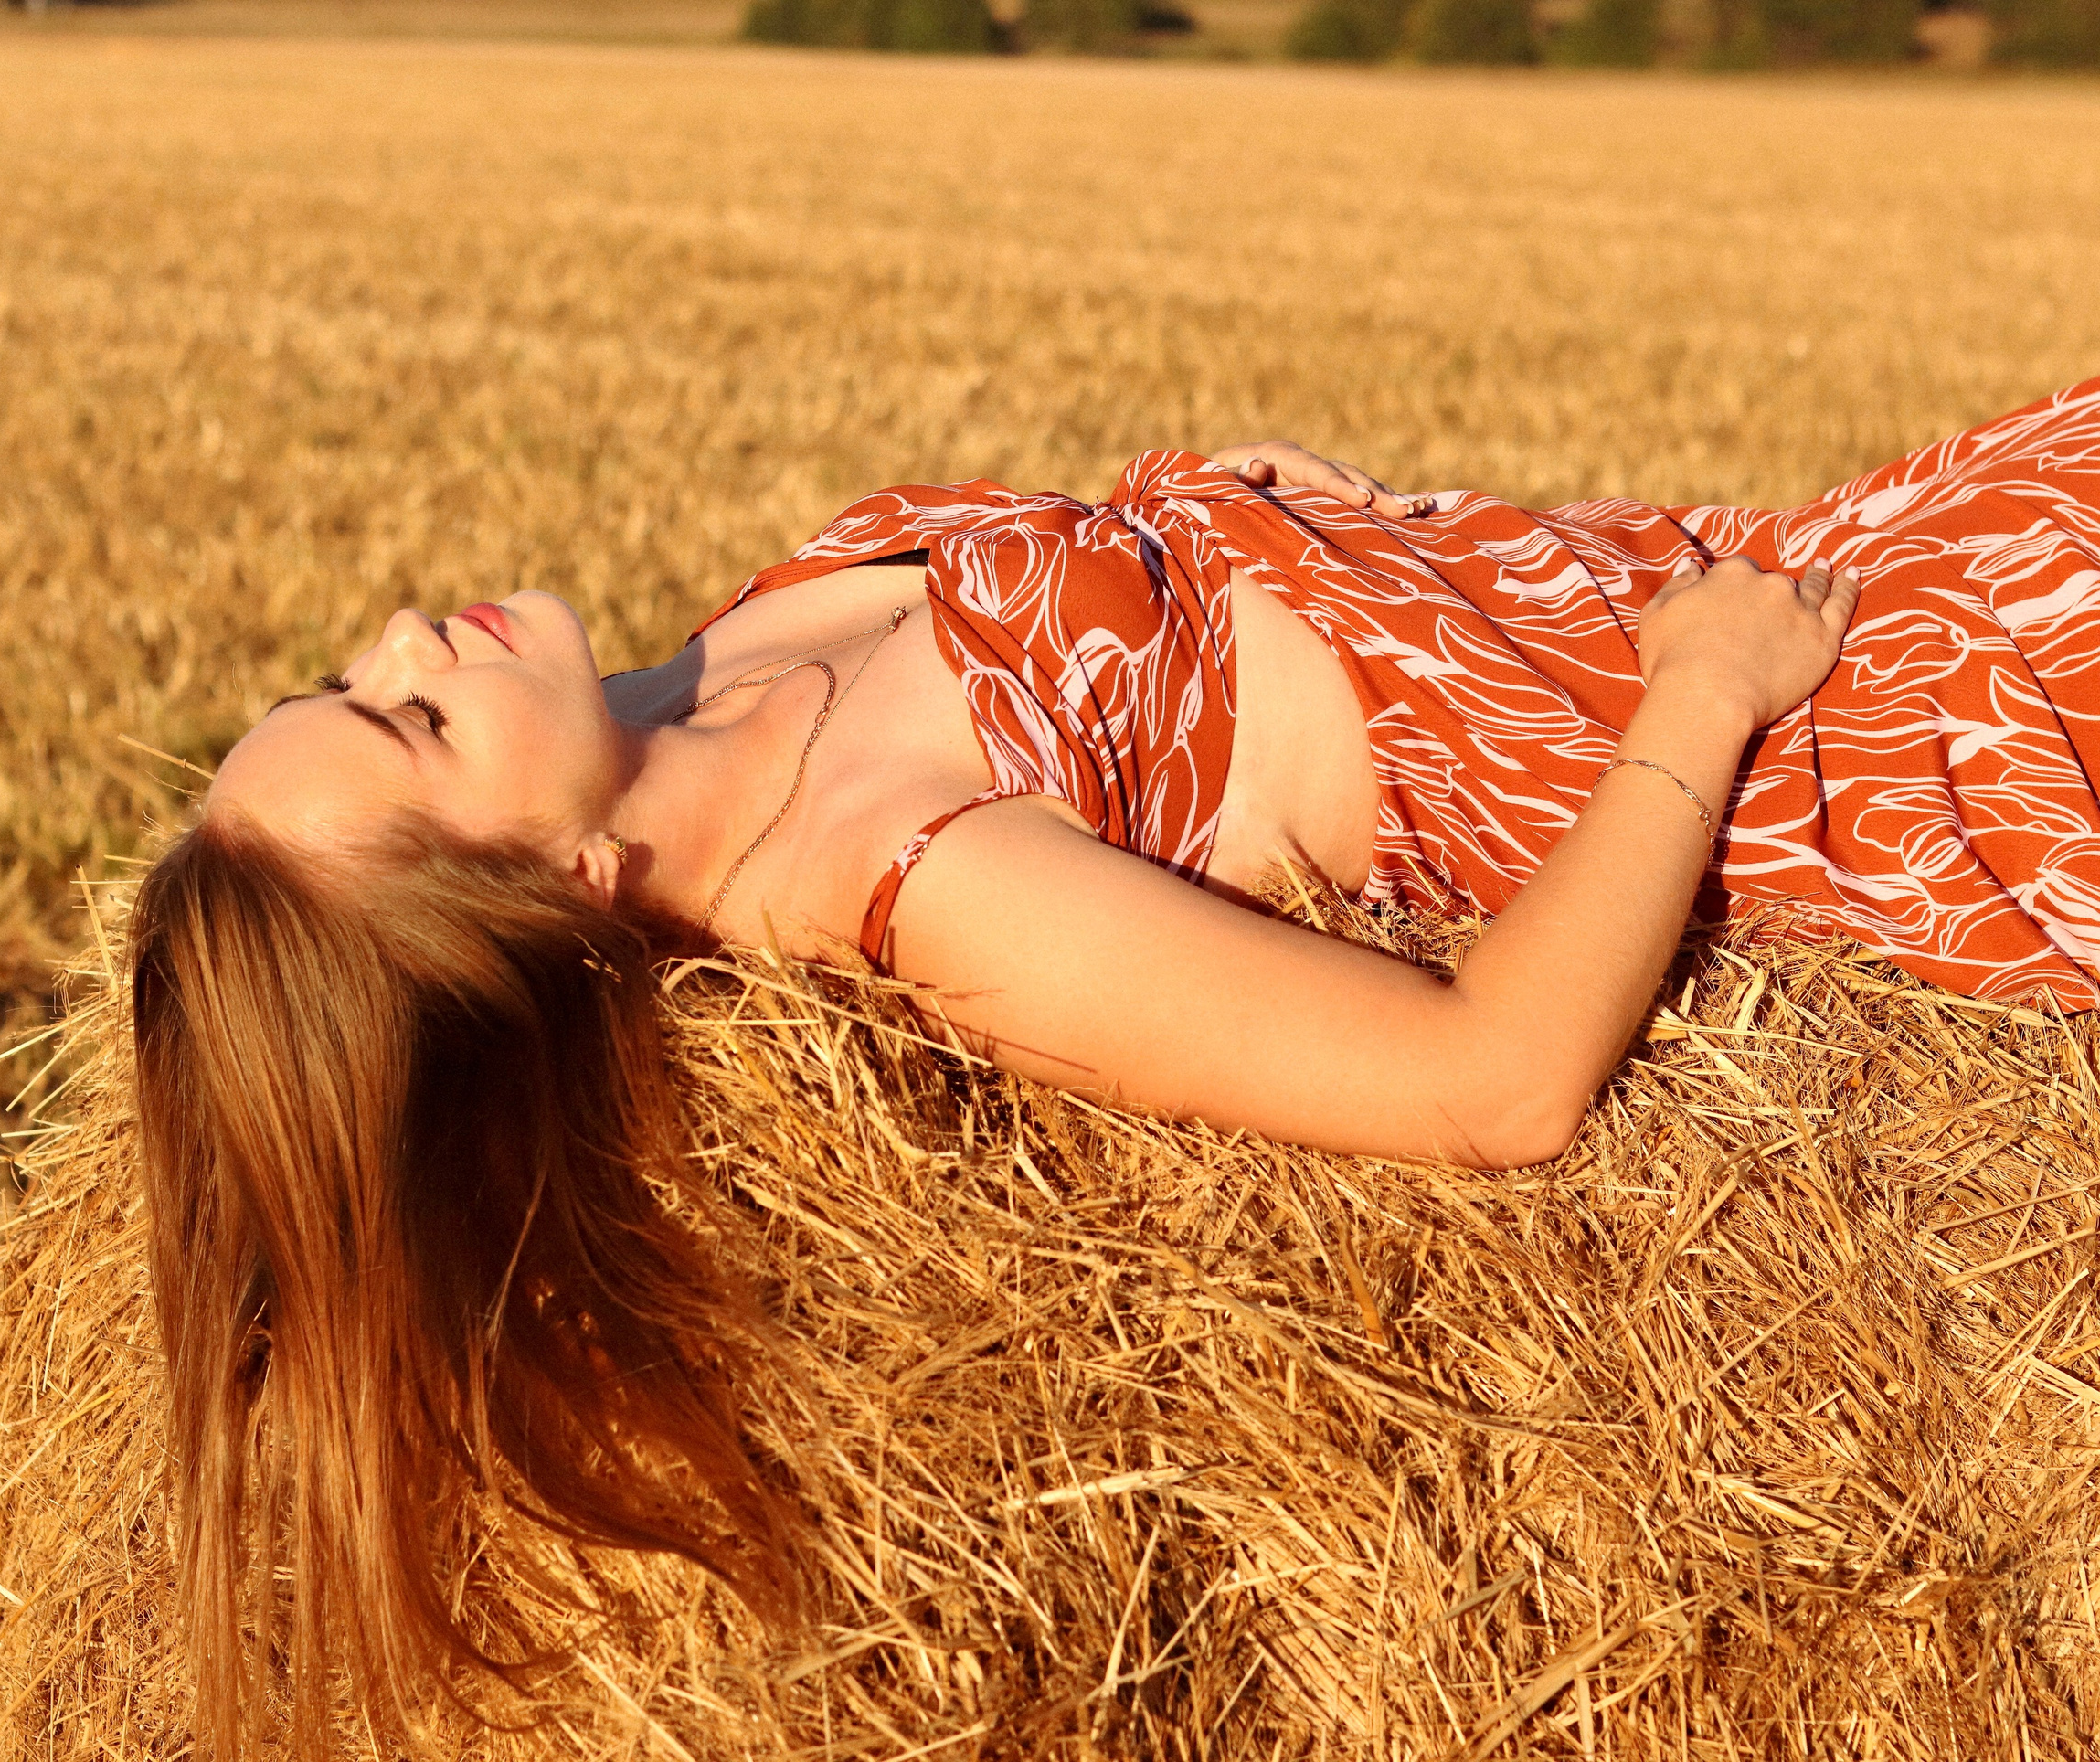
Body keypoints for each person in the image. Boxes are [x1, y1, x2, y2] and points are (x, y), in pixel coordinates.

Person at [129, 377, 2100, 1754]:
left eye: (347, 673)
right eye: (411, 722)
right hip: (1851, 728)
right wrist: (1702, 689)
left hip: (1761, 555)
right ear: (559, 888)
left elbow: (1148, 607)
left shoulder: (677, 690)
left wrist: (1273, 522)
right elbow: (1490, 1082)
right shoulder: (913, 879)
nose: (408, 632)